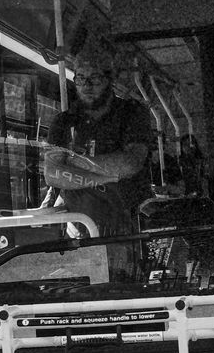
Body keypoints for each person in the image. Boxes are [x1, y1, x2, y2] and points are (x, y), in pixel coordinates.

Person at [43, 46, 153, 281]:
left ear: (110, 79)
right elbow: (52, 174)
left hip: (127, 226)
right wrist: (107, 173)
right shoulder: (63, 122)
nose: (86, 86)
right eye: (80, 78)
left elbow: (130, 163)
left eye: (94, 78)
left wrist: (73, 163)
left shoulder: (132, 114)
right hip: (79, 230)